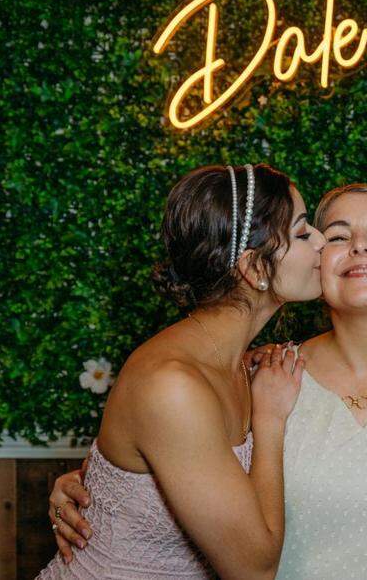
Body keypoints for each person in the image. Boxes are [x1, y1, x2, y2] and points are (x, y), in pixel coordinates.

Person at [48, 183, 367, 579]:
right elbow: (155, 452)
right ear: (256, 268)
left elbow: (159, 462)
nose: (348, 246)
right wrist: (94, 489)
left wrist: (98, 485)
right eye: (321, 235)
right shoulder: (264, 380)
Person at [37, 163, 325, 579]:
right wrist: (269, 421)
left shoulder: (239, 364)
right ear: (255, 268)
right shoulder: (172, 386)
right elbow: (254, 571)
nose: (321, 240)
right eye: (302, 233)